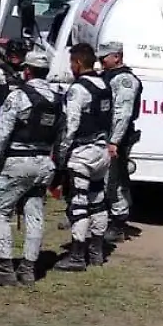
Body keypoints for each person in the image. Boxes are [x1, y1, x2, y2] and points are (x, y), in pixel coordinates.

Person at [0, 48, 62, 287]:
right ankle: (28, 268)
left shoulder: (18, 96)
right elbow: (63, 135)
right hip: (44, 163)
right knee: (34, 214)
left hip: (17, 161)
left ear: (27, 70)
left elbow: (1, 132)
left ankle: (5, 267)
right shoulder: (58, 99)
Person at [53, 43, 111, 271]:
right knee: (97, 201)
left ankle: (77, 255)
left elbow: (71, 124)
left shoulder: (78, 89)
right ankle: (97, 251)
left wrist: (61, 154)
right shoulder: (104, 85)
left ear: (78, 63)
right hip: (102, 151)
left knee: (78, 203)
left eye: (71, 63)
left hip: (83, 153)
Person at [97, 41, 143, 245]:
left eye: (104, 56)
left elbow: (122, 113)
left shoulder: (124, 80)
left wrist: (114, 141)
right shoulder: (108, 76)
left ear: (117, 57)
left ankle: (118, 222)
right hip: (107, 135)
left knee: (113, 180)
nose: (101, 60)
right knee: (107, 178)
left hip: (117, 138)